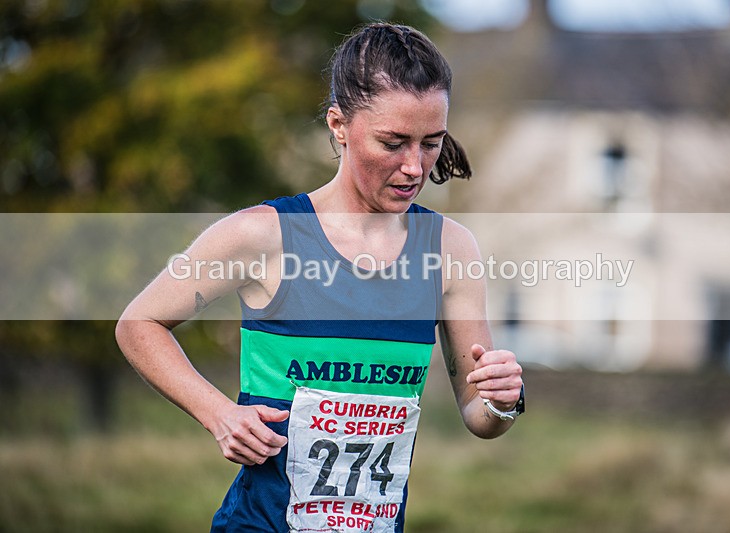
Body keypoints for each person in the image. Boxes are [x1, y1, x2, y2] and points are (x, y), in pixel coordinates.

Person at [116, 22, 524, 533]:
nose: (414, 167)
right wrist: (218, 412)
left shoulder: (450, 249)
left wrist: (501, 401)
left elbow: (478, 414)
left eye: (430, 143)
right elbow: (138, 324)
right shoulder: (263, 235)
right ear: (338, 125)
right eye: (393, 143)